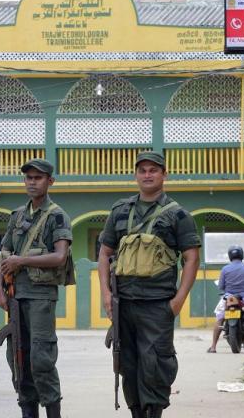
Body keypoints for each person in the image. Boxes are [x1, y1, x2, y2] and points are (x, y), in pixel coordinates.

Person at [97, 151, 201, 418]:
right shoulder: (120, 210)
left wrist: (178, 301)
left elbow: (191, 258)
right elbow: (105, 253)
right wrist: (106, 295)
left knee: (155, 364)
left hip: (157, 304)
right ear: (136, 175)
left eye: (153, 170)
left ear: (164, 175)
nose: (147, 175)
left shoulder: (178, 215)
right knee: (127, 365)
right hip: (124, 303)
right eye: (142, 170)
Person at [0, 158, 73, 418]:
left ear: (50, 181)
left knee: (41, 359)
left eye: (38, 178)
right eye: (28, 177)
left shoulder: (57, 216)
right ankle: (28, 412)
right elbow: (4, 254)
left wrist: (22, 260)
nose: (32, 182)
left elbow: (59, 257)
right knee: (18, 358)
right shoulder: (17, 216)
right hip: (15, 297)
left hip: (41, 296)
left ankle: (53, 411)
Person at [206, 246, 244, 353]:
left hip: (229, 298)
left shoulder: (225, 269)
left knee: (219, 318)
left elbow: (221, 286)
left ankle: (213, 347)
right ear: (242, 255)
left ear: (230, 256)